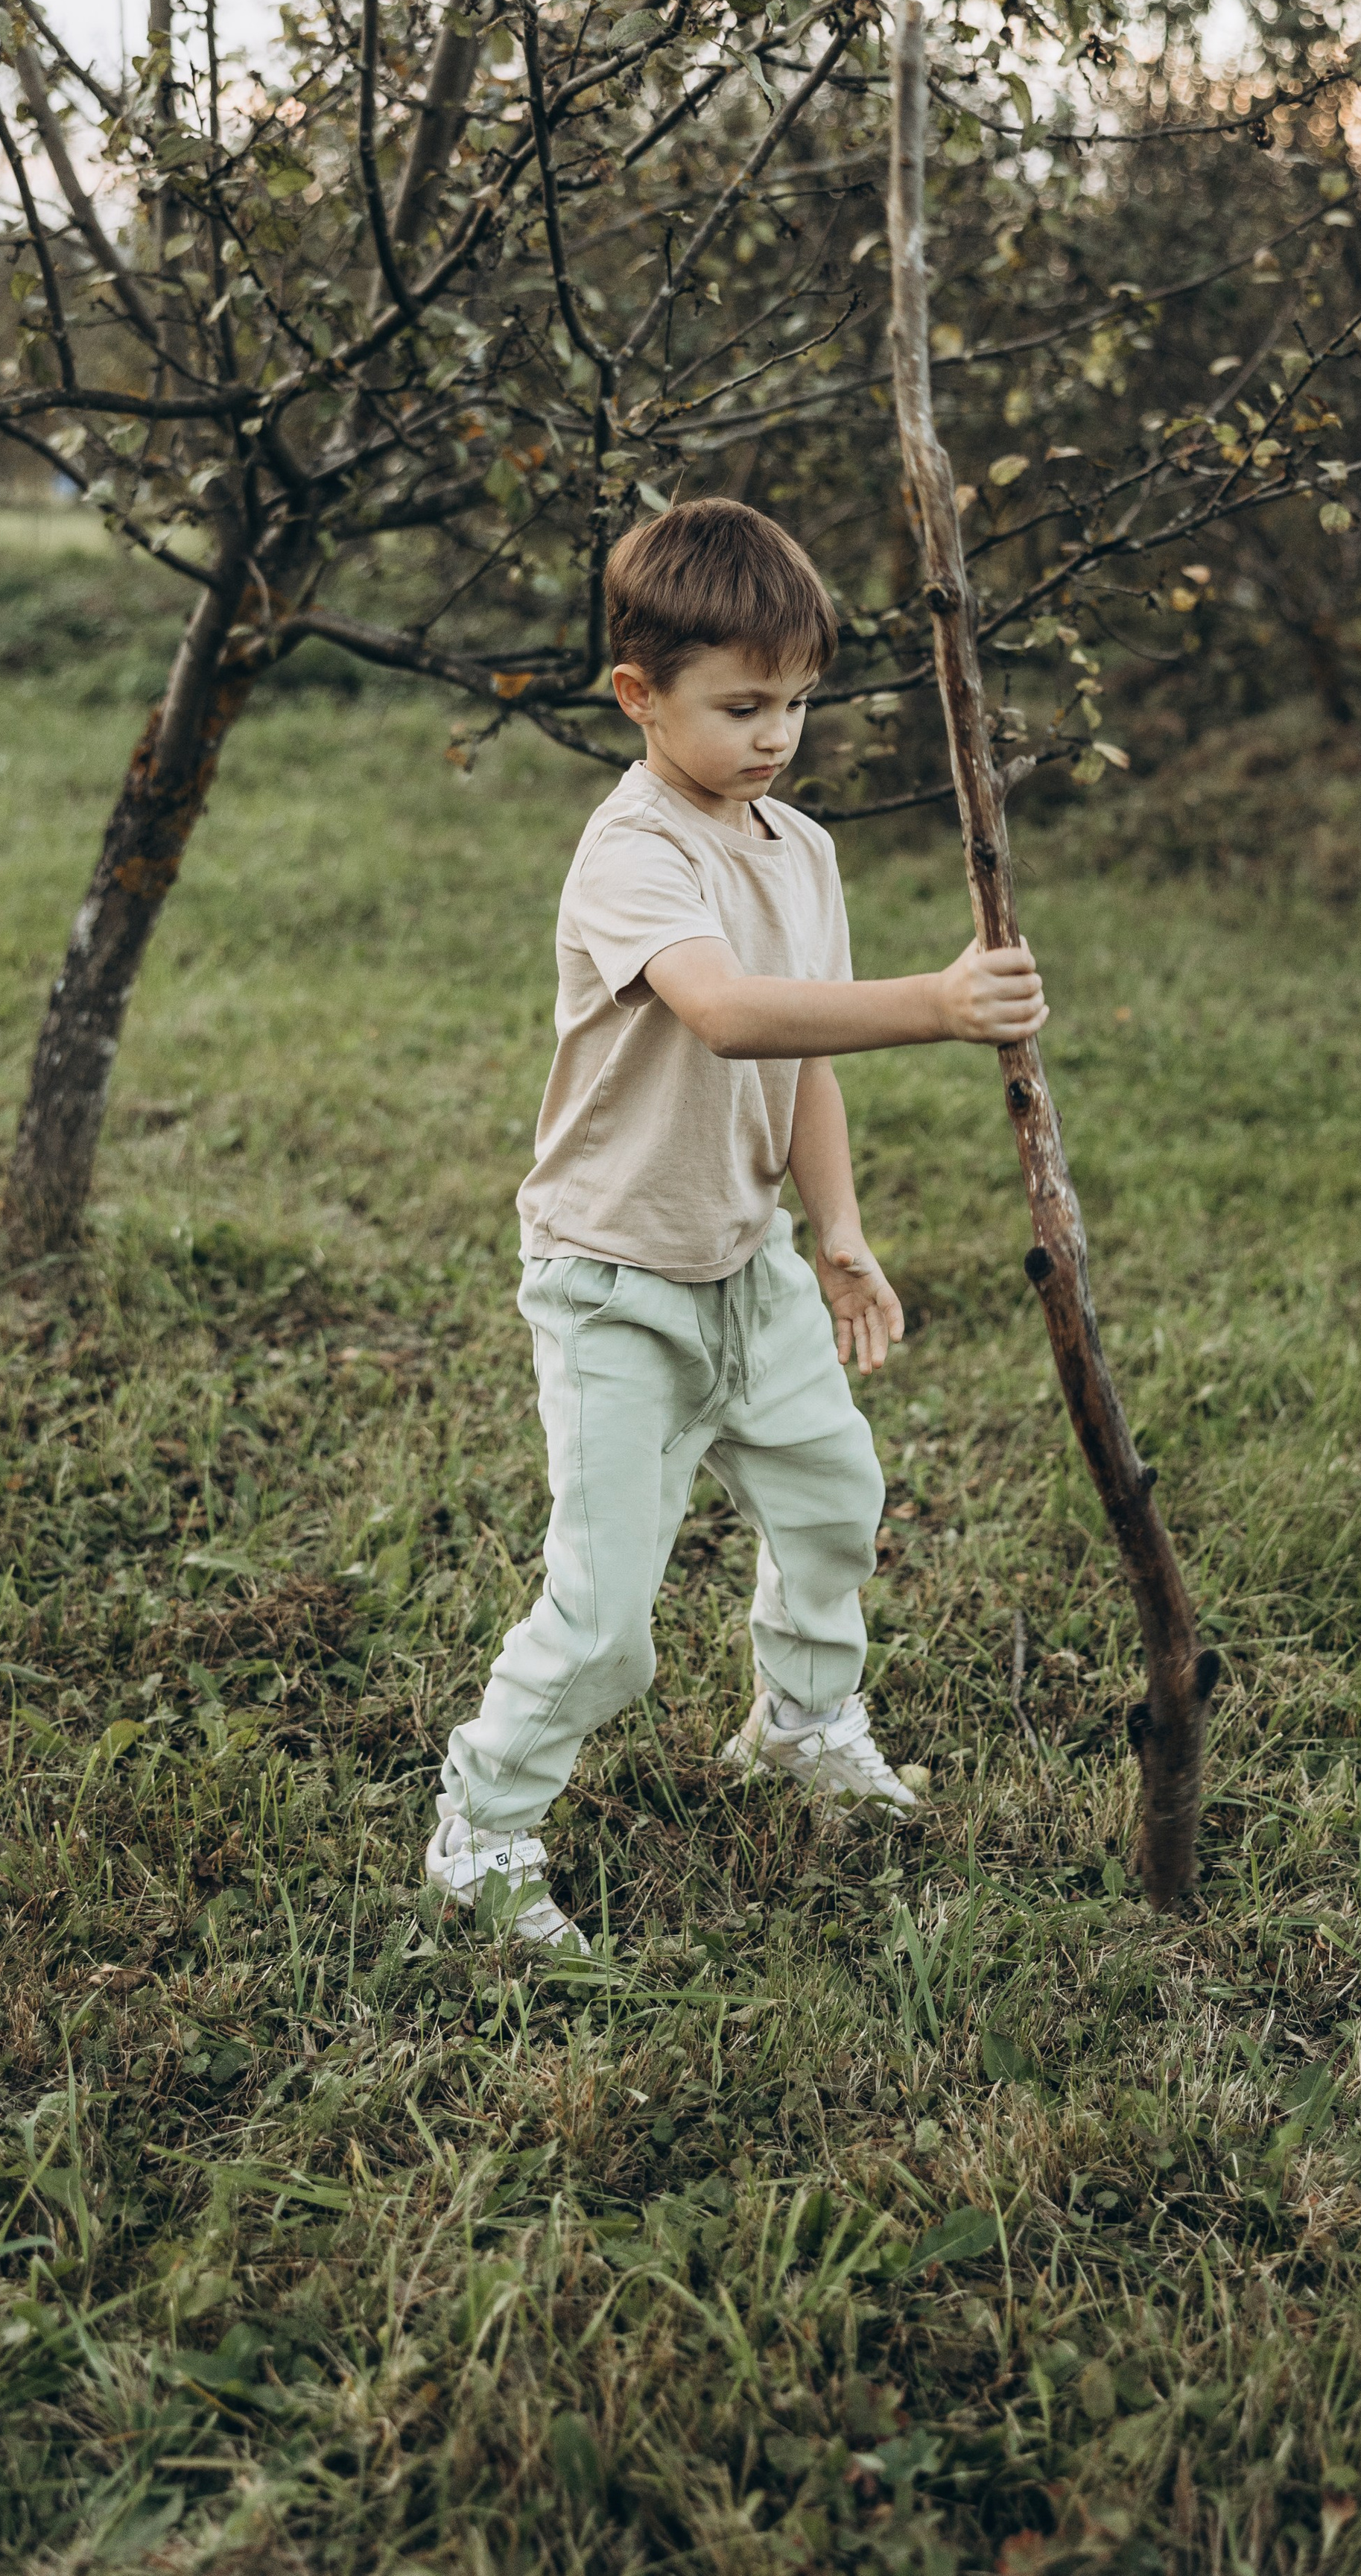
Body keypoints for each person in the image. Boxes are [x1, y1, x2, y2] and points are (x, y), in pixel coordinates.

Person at [424, 498, 1047, 1949]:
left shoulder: (799, 849)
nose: (776, 735)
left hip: (748, 1263)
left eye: (800, 703)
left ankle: (800, 1721)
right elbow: (722, 1015)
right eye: (742, 705)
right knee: (605, 1620)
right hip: (612, 1286)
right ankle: (485, 1822)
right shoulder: (632, 849)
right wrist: (937, 1004)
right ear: (639, 696)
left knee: (836, 1503)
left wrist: (834, 1230)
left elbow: (799, 1059)